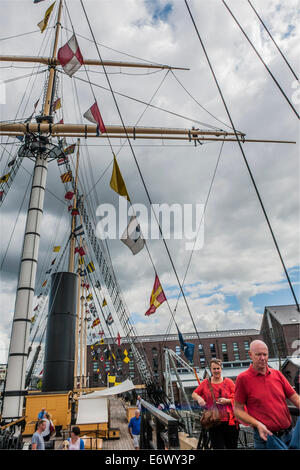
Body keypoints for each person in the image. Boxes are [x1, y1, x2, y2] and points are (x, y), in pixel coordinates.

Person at [234, 340, 300, 449]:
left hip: (289, 435)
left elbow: (295, 398)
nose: (263, 358)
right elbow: (238, 410)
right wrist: (257, 424)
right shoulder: (243, 379)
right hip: (265, 439)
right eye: (258, 354)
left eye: (265, 354)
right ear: (250, 355)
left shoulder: (277, 374)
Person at [192, 358, 239, 449]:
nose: (216, 371)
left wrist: (227, 401)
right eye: (214, 369)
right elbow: (194, 393)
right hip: (214, 422)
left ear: (221, 369)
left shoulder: (228, 382)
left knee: (232, 447)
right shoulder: (206, 383)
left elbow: (238, 397)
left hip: (230, 422)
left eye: (218, 368)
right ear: (211, 369)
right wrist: (199, 398)